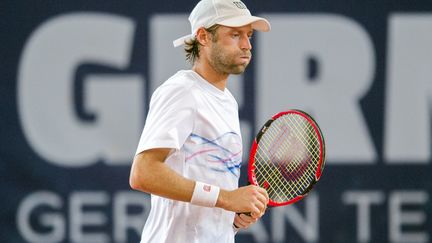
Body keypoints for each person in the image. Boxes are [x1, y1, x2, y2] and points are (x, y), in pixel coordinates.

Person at [129, 0, 271, 242]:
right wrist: (227, 198)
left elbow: (208, 195)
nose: (247, 45)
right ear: (203, 36)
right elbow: (143, 173)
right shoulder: (182, 91)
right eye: (235, 35)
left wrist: (233, 219)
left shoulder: (228, 102)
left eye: (249, 35)